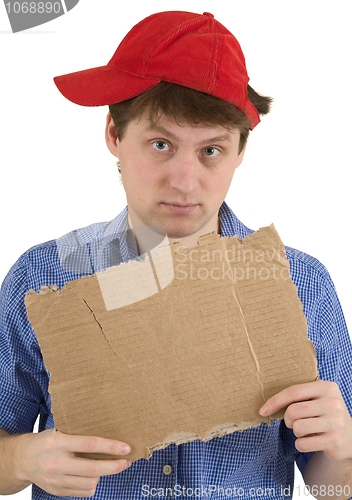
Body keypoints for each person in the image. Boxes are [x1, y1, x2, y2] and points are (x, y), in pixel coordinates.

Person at [0, 9, 351, 500]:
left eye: (211, 151)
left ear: (240, 152)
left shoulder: (300, 282)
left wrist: (343, 452)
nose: (185, 183)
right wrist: (21, 458)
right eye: (161, 144)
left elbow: (333, 486)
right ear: (114, 136)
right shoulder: (46, 279)